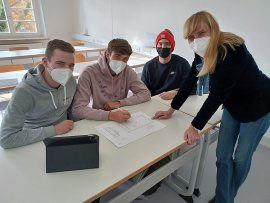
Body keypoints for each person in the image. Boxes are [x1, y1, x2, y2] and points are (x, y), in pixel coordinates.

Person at [153, 11, 270, 203]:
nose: (196, 39)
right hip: (233, 106)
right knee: (222, 155)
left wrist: (194, 126)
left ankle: (224, 198)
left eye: (201, 33)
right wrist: (171, 109)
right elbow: (189, 81)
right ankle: (225, 198)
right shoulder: (201, 52)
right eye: (190, 36)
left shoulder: (233, 49)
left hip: (258, 107)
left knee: (241, 158)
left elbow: (217, 94)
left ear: (212, 29)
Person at [0, 39, 77, 149]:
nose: (67, 70)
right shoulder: (24, 92)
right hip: (32, 140)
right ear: (45, 62)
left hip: (65, 134)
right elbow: (6, 139)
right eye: (60, 64)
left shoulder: (71, 82)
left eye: (71, 65)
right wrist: (54, 130)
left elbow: (71, 110)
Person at [72, 38, 151, 122]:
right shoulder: (88, 73)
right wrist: (110, 115)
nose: (121, 62)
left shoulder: (127, 71)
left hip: (118, 115)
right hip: (95, 118)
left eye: (125, 59)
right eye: (117, 56)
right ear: (107, 54)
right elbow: (77, 109)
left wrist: (120, 103)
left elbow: (145, 94)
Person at [141, 29, 195, 100]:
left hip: (176, 100)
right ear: (156, 46)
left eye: (167, 43)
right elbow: (142, 91)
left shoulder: (182, 64)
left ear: (172, 46)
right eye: (160, 43)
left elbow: (193, 87)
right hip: (155, 101)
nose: (163, 47)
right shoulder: (148, 66)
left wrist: (175, 93)